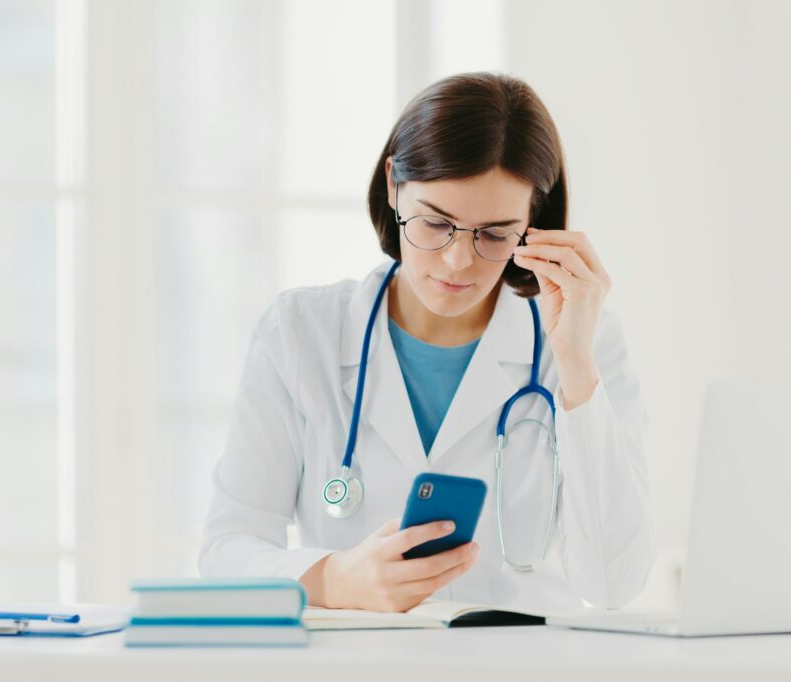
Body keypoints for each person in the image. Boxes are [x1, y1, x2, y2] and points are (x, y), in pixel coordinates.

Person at [198, 72, 655, 612]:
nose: (459, 261)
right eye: (436, 224)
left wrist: (577, 365)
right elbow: (226, 550)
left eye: (494, 233)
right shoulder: (301, 332)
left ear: (534, 220)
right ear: (394, 185)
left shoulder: (584, 338)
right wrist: (332, 579)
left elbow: (613, 585)